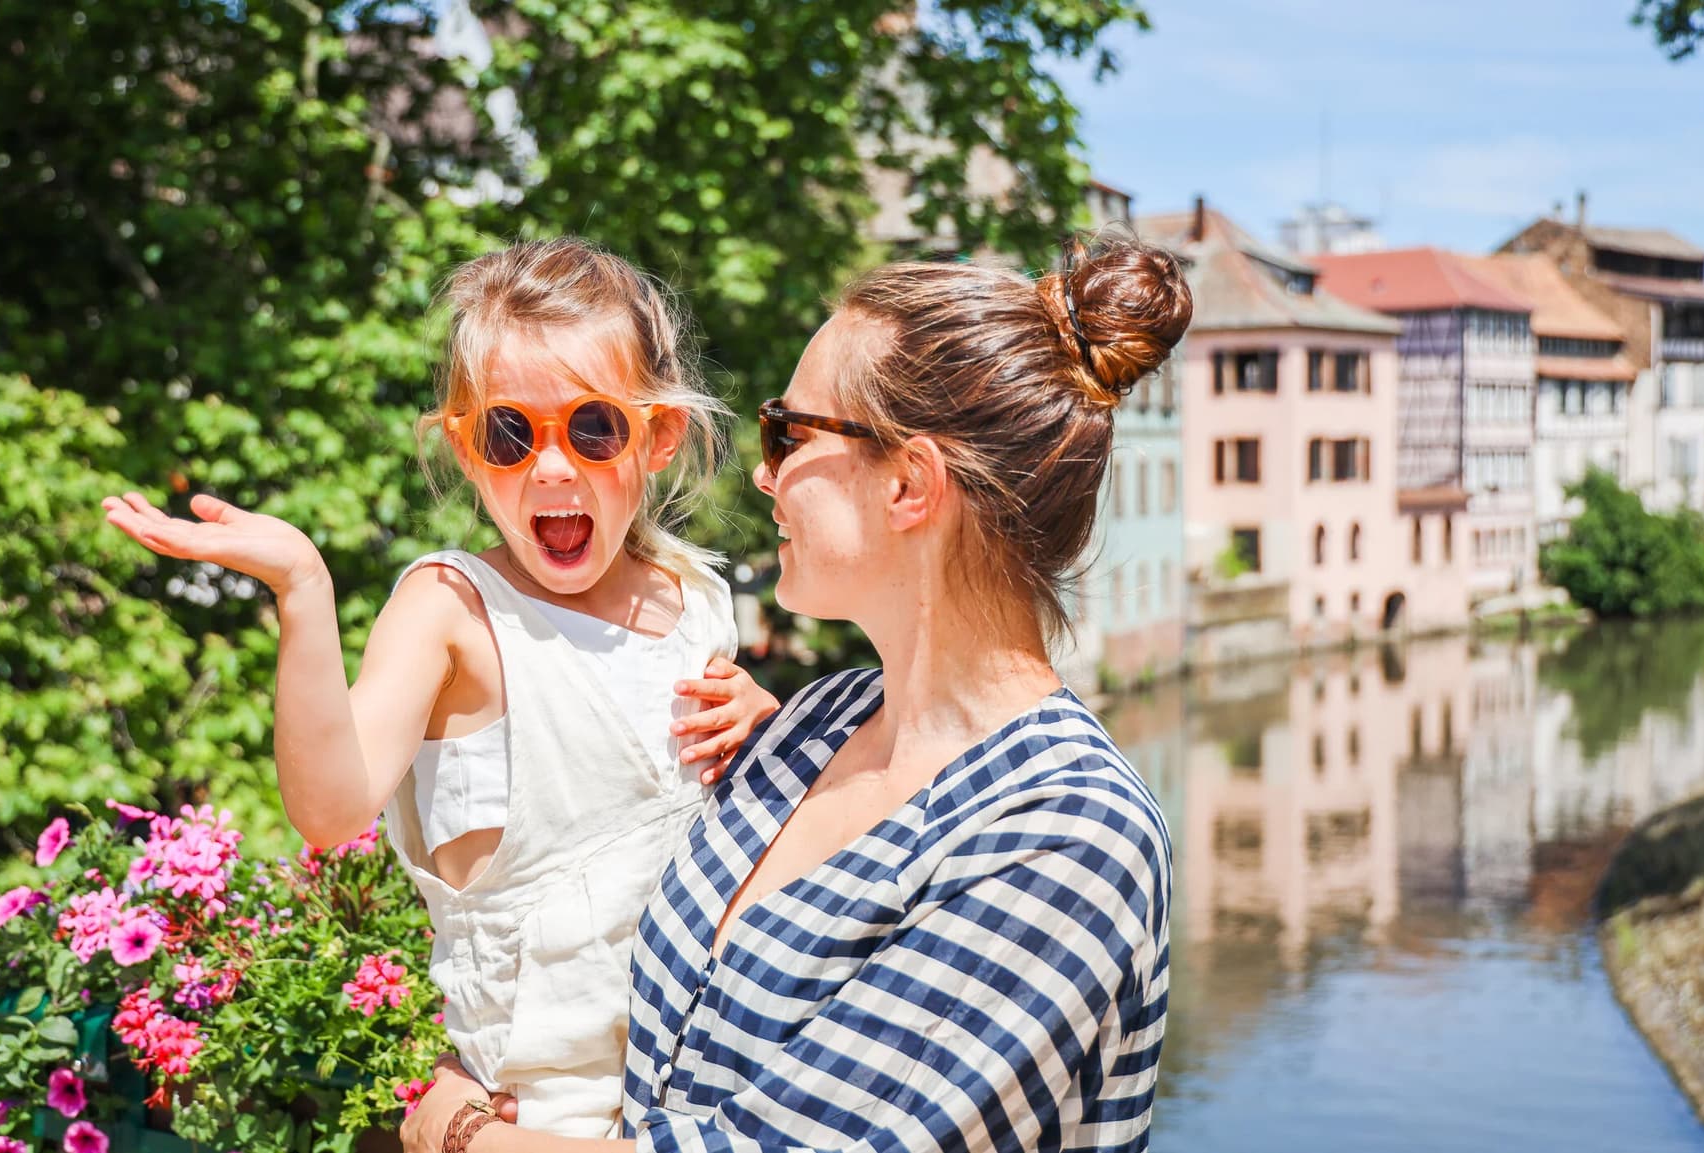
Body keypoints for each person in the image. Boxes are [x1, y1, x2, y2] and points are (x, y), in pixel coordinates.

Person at [402, 234, 1192, 1153]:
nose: (762, 471)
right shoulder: (816, 723)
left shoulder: (1067, 836)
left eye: (789, 431)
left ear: (909, 483)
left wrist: (458, 1132)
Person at [101, 238, 780, 1136]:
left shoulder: (695, 598)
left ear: (657, 437)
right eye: (510, 433)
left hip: (707, 1077)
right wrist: (304, 589)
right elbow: (331, 808)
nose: (550, 467)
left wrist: (768, 729)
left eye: (593, 428)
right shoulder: (453, 608)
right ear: (465, 446)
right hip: (543, 1112)